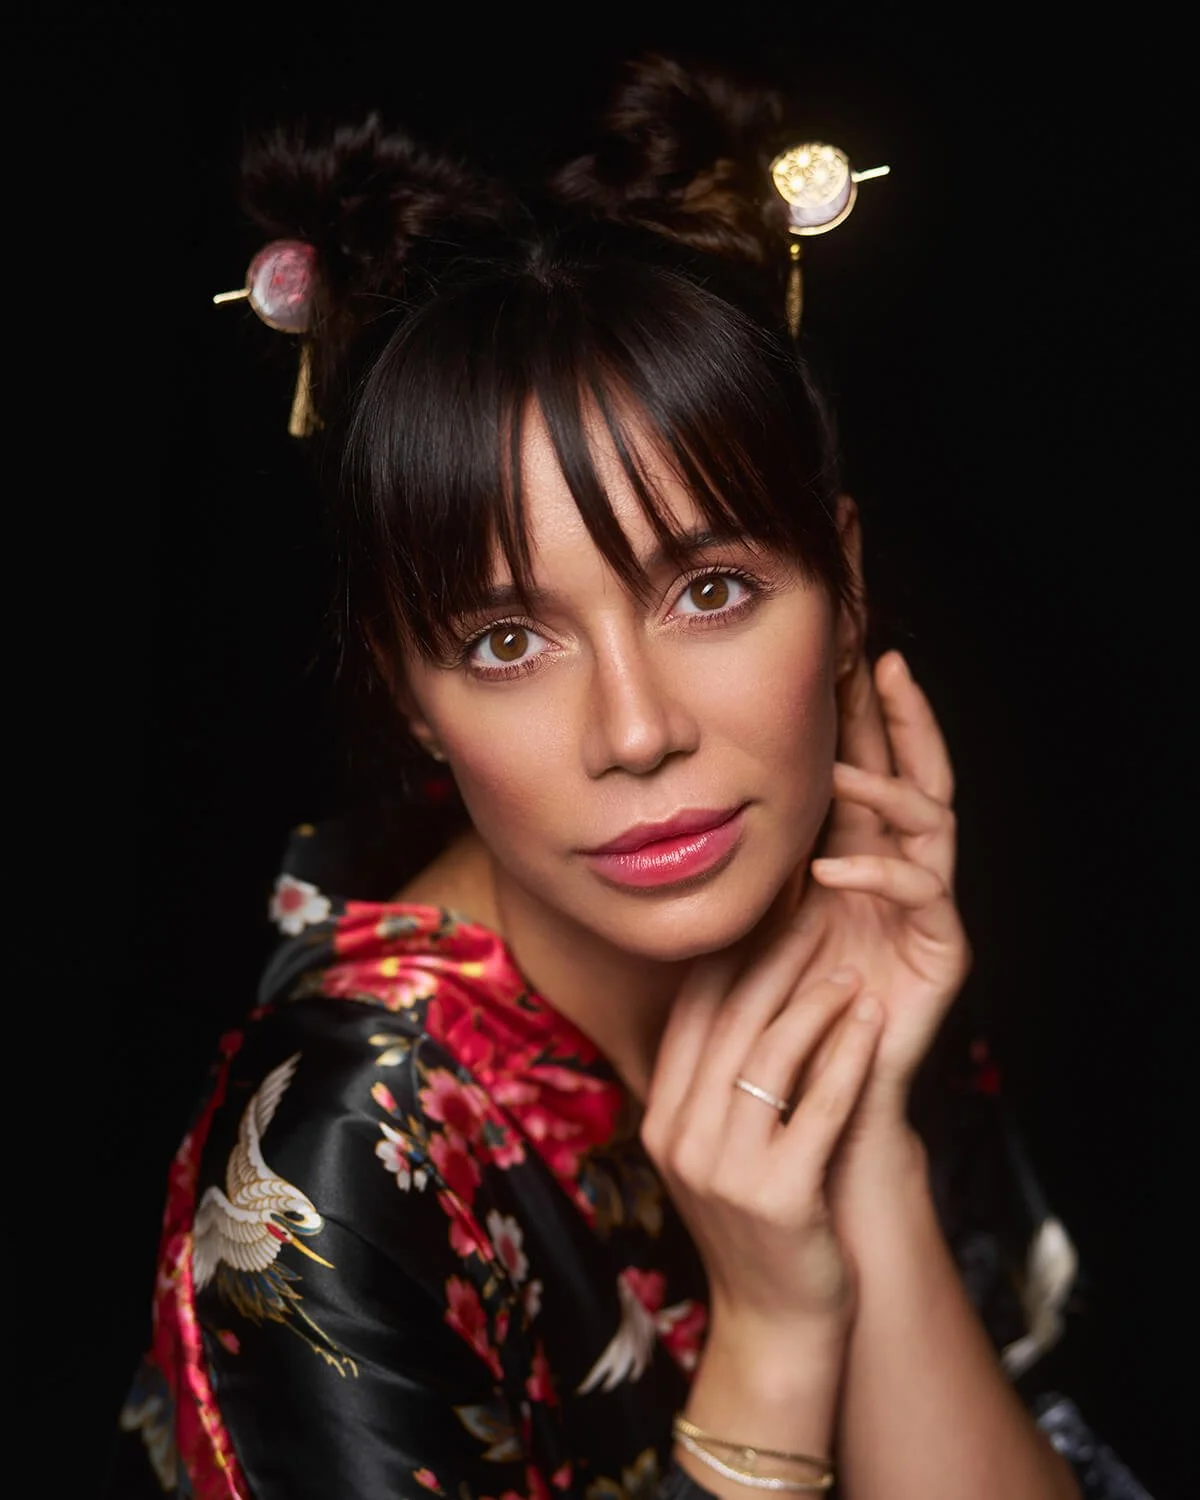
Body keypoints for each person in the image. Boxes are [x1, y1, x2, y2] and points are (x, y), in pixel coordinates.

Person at [108, 52, 1152, 1500]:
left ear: (844, 590)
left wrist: (869, 1157)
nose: (637, 728)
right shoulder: (339, 1171)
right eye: (508, 638)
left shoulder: (851, 935)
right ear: (412, 696)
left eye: (710, 592)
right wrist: (778, 1334)